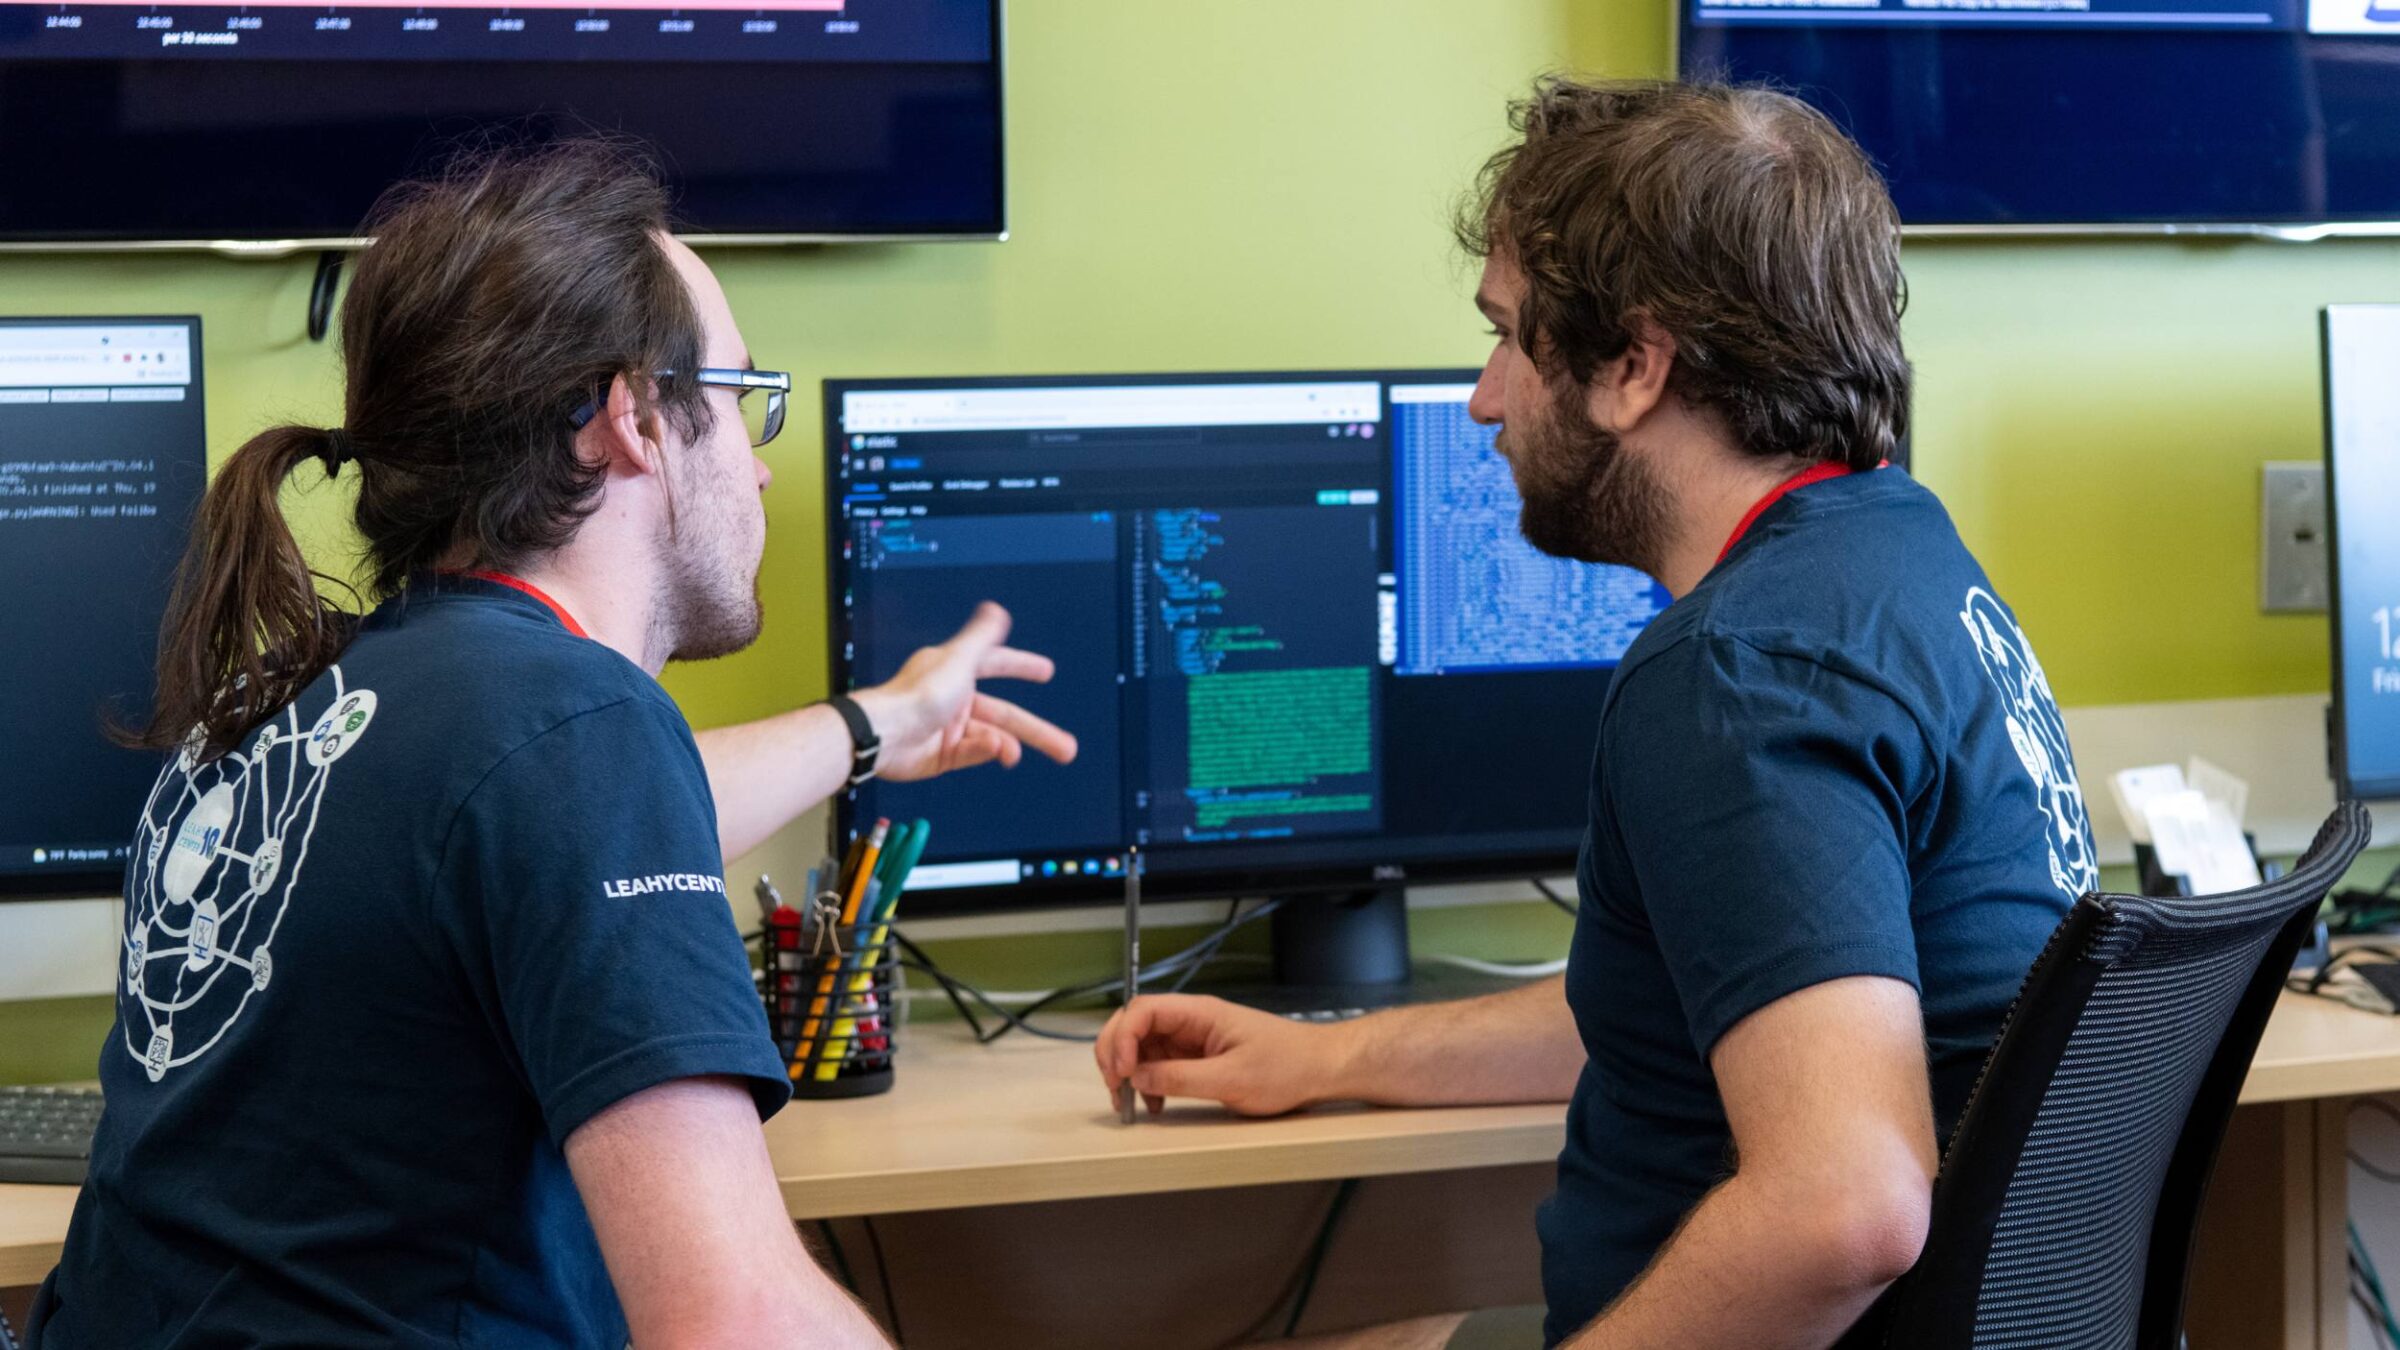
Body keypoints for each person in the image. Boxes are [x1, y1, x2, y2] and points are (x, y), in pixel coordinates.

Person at [1097, 79, 2096, 1350]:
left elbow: (1847, 1206)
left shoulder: (1739, 671)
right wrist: (1328, 1060)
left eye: (1511, 337)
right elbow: (1741, 996)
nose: (1485, 399)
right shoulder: (1904, 565)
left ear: (1634, 366)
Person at [30, 141, 1075, 1349]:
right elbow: (733, 1321)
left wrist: (876, 723)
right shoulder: (572, 729)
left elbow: (540, 848)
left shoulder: (290, 709)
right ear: (630, 419)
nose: (759, 458)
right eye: (741, 398)